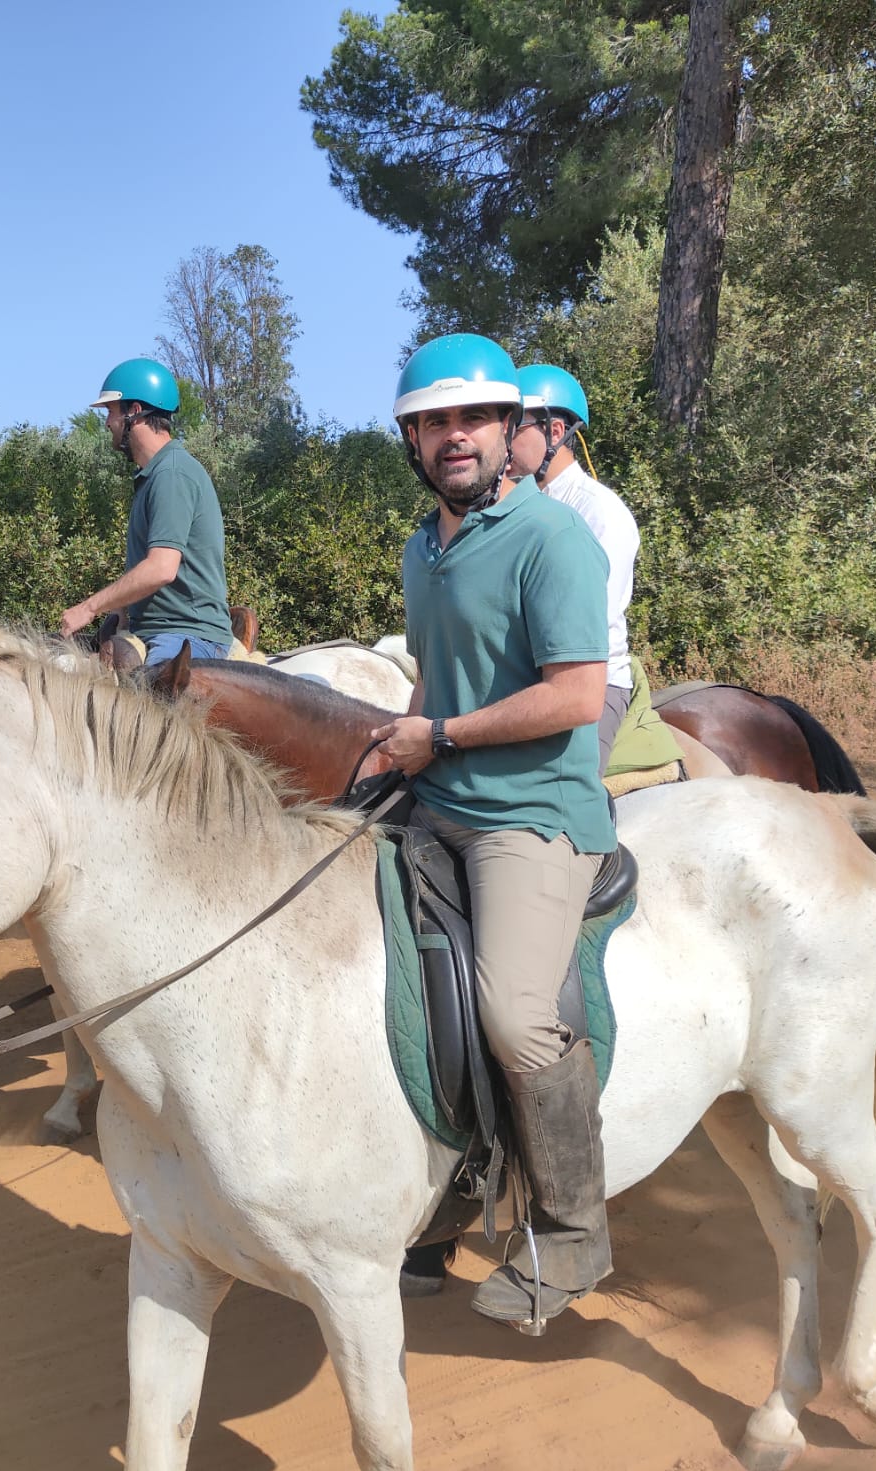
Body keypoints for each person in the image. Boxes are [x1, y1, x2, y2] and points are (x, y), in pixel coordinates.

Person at [370, 333, 617, 1332]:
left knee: (513, 1014)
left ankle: (573, 1229)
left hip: (530, 812)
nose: (453, 436)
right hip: (436, 794)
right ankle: (432, 1191)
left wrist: (440, 736)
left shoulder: (551, 539)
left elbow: (577, 695)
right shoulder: (421, 550)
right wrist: (392, 753)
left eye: (472, 417)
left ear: (510, 427)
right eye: (432, 422)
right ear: (412, 441)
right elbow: (438, 677)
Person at [59, 357, 232, 667]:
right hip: (157, 631)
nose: (108, 423)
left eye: (111, 411)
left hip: (186, 635)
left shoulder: (172, 474)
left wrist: (89, 608)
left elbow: (161, 568)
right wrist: (120, 611)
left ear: (134, 412)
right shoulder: (154, 474)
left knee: (147, 695)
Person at [511, 365, 641, 776]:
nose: (500, 440)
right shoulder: (515, 509)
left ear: (554, 432)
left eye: (513, 427)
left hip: (591, 683)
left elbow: (589, 626)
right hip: (523, 678)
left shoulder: (598, 511)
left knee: (566, 793)